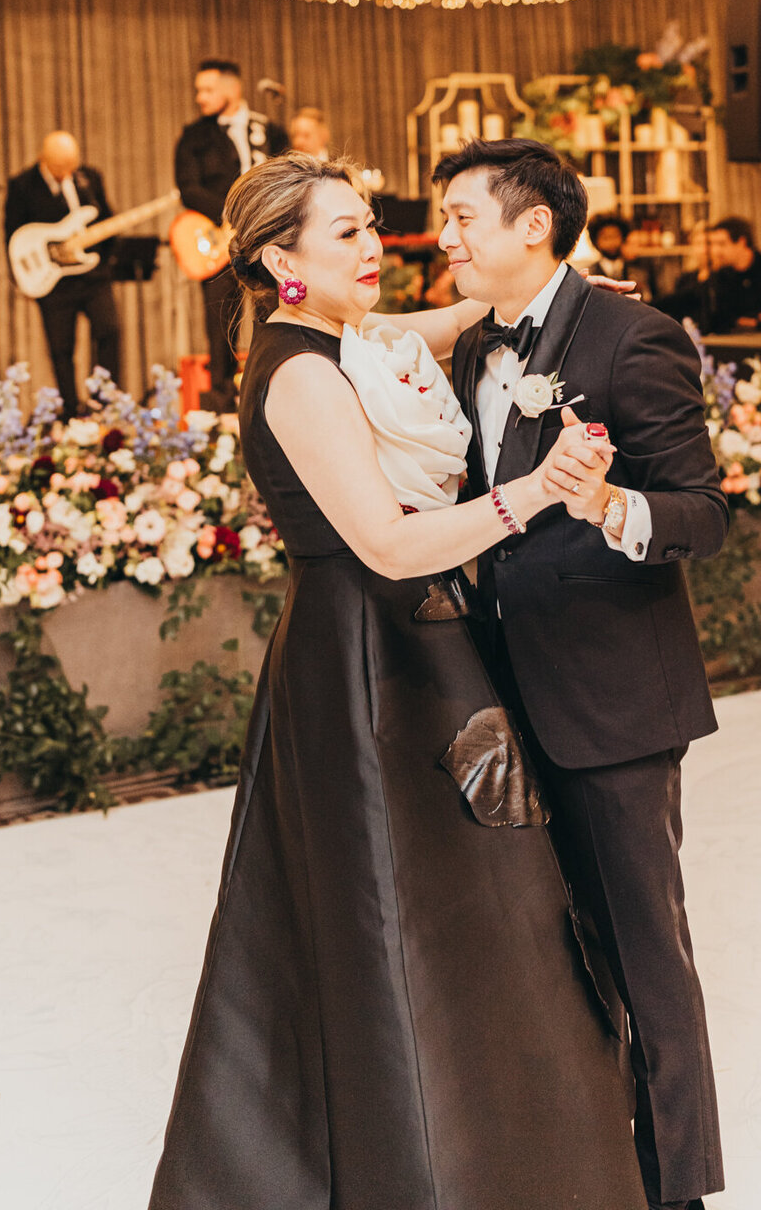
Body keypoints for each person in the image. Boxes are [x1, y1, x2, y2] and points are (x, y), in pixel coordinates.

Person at [149, 153, 648, 1210]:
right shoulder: (298, 373)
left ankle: (488, 1155)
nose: (375, 246)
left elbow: (459, 316)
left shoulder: (343, 340)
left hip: (416, 646)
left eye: (375, 225)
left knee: (464, 913)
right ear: (281, 258)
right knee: (404, 921)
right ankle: (428, 1170)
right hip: (365, 662)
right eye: (346, 234)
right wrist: (532, 496)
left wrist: (566, 296)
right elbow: (385, 543)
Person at [433, 137, 728, 1210]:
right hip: (503, 692)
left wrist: (610, 505)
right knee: (551, 955)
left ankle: (674, 1192)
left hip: (611, 700)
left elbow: (705, 510)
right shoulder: (474, 347)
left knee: (645, 954)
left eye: (463, 217)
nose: (446, 237)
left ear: (534, 227)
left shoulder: (631, 336)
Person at [174, 60, 287, 413]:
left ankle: (273, 389)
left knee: (272, 311)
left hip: (267, 238)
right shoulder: (194, 137)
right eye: (198, 91)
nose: (200, 97)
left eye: (208, 90)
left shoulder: (270, 132)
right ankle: (223, 402)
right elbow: (188, 187)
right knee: (220, 319)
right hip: (220, 239)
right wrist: (231, 212)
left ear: (232, 89)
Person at [3, 132, 119, 418]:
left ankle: (103, 400)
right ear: (44, 160)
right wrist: (26, 279)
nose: (67, 174)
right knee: (61, 348)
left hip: (92, 275)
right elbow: (13, 238)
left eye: (72, 167)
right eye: (60, 169)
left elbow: (106, 219)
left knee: (109, 330)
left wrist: (105, 258)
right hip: (54, 282)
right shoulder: (22, 186)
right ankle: (70, 409)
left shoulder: (88, 178)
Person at [656, 220, 711, 325]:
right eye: (699, 244)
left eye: (707, 243)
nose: (704, 250)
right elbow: (674, 307)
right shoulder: (685, 279)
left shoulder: (722, 278)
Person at [587, 212, 631, 279]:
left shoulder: (639, 272)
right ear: (595, 241)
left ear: (623, 237)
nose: (611, 242)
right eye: (605, 238)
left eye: (615, 236)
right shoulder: (588, 276)